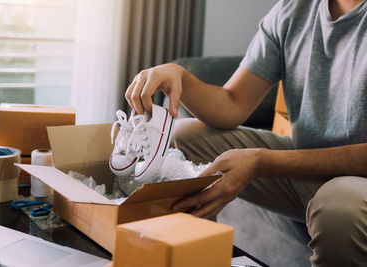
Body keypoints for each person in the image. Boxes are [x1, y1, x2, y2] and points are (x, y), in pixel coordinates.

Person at [125, 0, 367, 266]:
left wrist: (263, 162)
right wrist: (180, 76)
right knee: (182, 137)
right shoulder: (293, 10)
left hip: (356, 185)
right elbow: (233, 103)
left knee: (339, 207)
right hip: (308, 167)